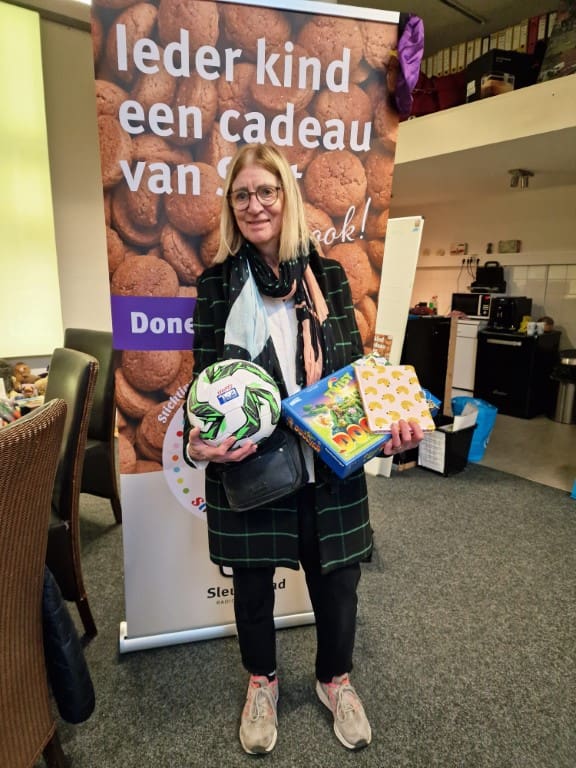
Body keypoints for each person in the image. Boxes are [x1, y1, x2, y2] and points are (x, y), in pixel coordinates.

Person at [183, 143, 423, 755]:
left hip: (328, 462)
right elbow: (205, 383)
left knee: (339, 582)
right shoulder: (216, 287)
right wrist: (201, 442)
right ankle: (261, 682)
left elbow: (352, 379)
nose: (255, 205)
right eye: (242, 195)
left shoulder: (330, 279)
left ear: (285, 199)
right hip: (254, 464)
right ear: (231, 207)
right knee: (252, 585)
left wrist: (390, 430)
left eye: (267, 191)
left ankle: (334, 679)